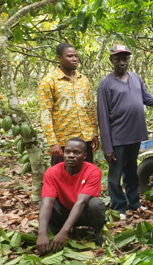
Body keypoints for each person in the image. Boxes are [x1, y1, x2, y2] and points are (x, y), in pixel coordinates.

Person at [97, 45, 153, 219]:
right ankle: (119, 206)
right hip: (117, 137)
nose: (122, 61)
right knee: (115, 174)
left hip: (135, 135)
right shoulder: (105, 84)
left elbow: (148, 99)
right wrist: (107, 147)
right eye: (118, 58)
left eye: (125, 58)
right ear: (111, 60)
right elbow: (103, 116)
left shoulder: (135, 78)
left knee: (131, 171)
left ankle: (133, 202)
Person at [38, 42, 99, 202]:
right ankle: (60, 211)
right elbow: (45, 113)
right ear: (59, 58)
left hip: (84, 140)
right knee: (62, 180)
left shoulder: (83, 80)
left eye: (76, 56)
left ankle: (84, 210)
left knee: (85, 177)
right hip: (63, 143)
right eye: (70, 56)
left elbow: (90, 107)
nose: (74, 59)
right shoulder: (49, 81)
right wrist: (52, 142)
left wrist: (94, 133)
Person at [36, 138, 105, 255]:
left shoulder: (93, 171)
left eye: (76, 153)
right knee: (42, 204)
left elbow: (81, 202)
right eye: (67, 152)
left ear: (85, 155)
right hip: (63, 213)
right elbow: (47, 202)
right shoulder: (52, 172)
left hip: (83, 213)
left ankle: (97, 232)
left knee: (95, 204)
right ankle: (52, 234)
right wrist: (41, 233)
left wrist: (65, 231)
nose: (71, 156)